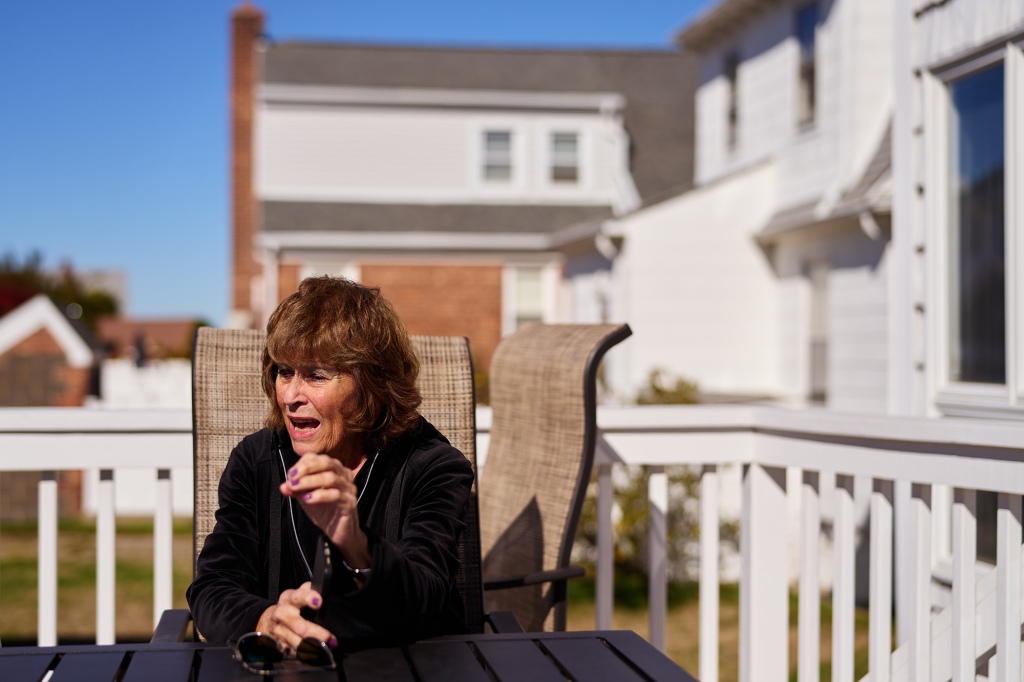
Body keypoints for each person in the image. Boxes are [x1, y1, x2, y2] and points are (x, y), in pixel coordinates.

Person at [186, 276, 475, 653]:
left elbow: (426, 599)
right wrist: (265, 619)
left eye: (316, 376)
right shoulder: (256, 461)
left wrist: (356, 543)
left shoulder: (433, 466)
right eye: (283, 371)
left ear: (372, 383)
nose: (290, 395)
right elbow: (212, 587)